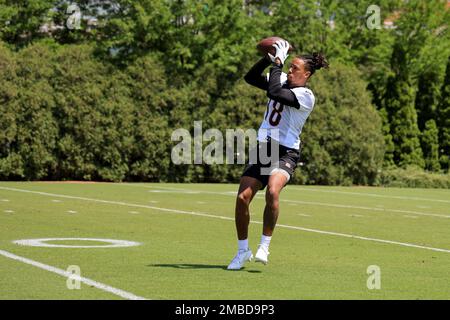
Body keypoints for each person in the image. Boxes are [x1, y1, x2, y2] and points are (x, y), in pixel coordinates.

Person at [227, 40, 329, 270]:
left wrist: (278, 63)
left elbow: (274, 91)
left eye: (295, 68)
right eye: (289, 67)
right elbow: (250, 78)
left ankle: (265, 245)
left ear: (307, 74)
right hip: (266, 147)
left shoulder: (306, 95)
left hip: (286, 150)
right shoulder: (281, 78)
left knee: (273, 189)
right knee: (243, 197)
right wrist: (268, 58)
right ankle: (242, 251)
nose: (290, 71)